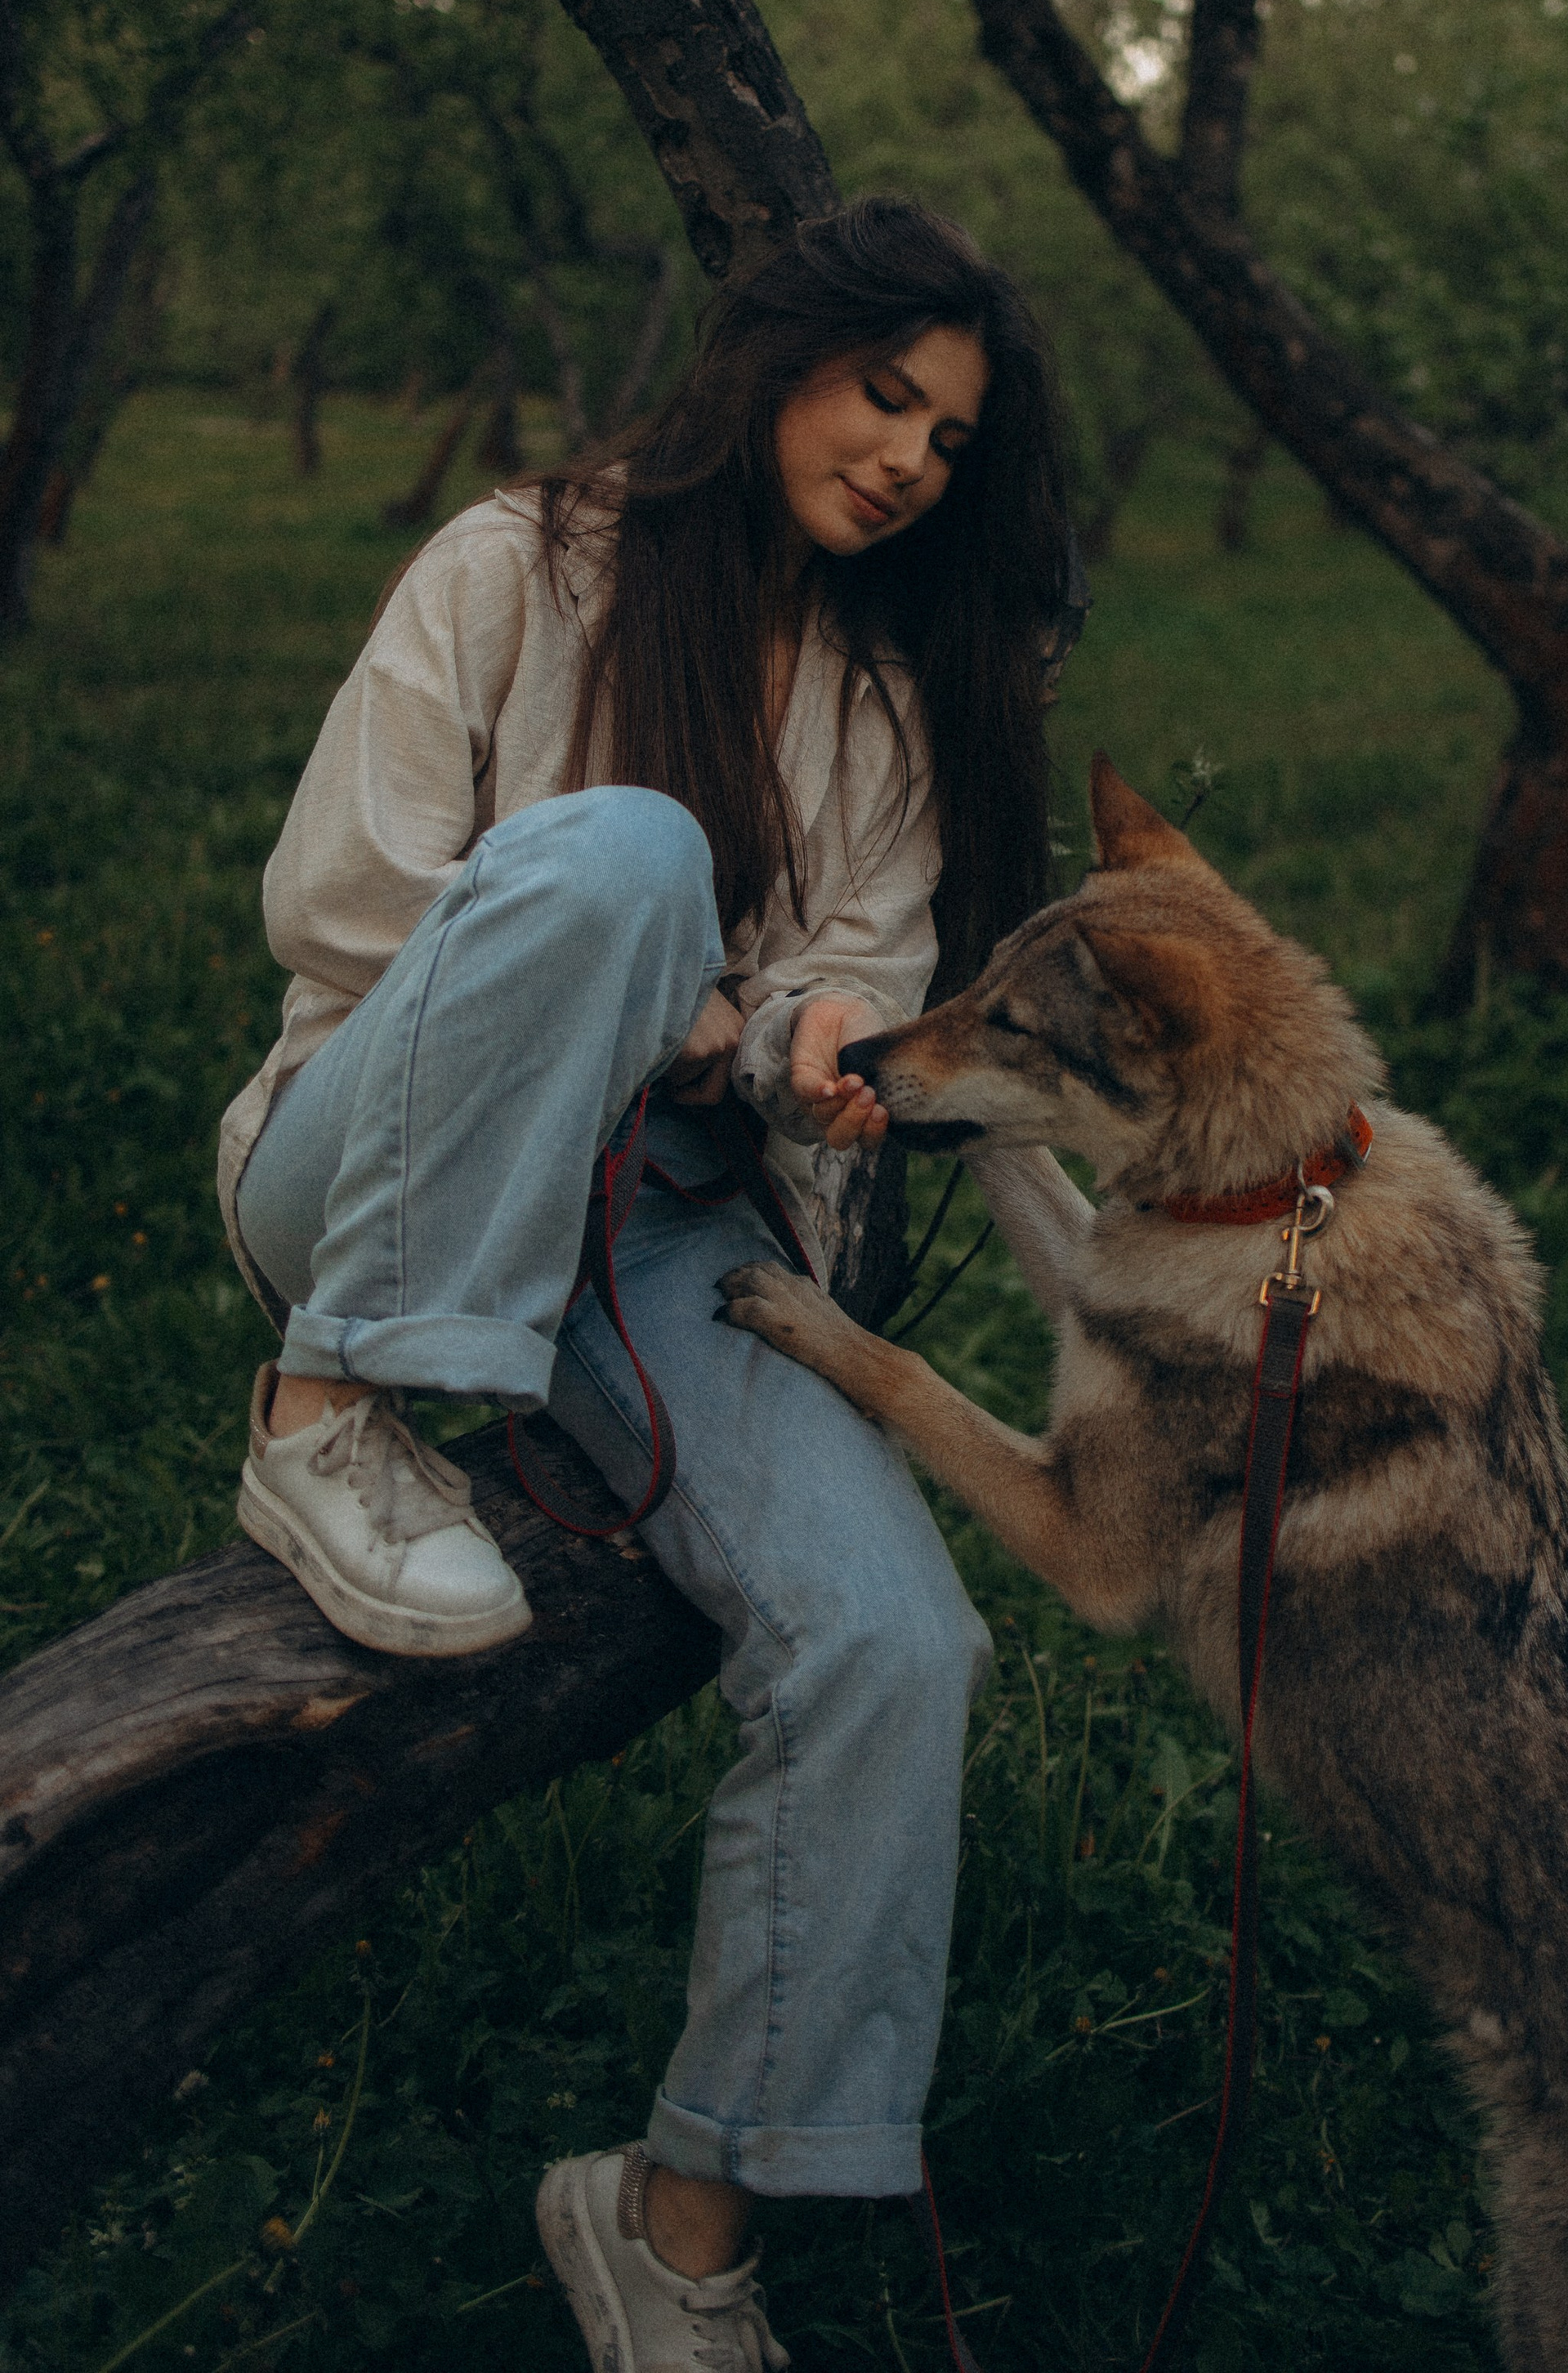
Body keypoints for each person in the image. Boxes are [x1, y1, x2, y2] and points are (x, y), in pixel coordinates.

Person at [218, 198, 1074, 2373]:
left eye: (953, 440)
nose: (909, 459)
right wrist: (678, 984)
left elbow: (856, 976)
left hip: (662, 1227)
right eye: (888, 393)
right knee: (624, 852)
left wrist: (809, 1058)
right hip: (383, 1163)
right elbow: (344, 906)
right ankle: (336, 1416)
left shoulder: (881, 698)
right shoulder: (524, 560)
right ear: (782, 355)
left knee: (898, 1640)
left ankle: (679, 2225)